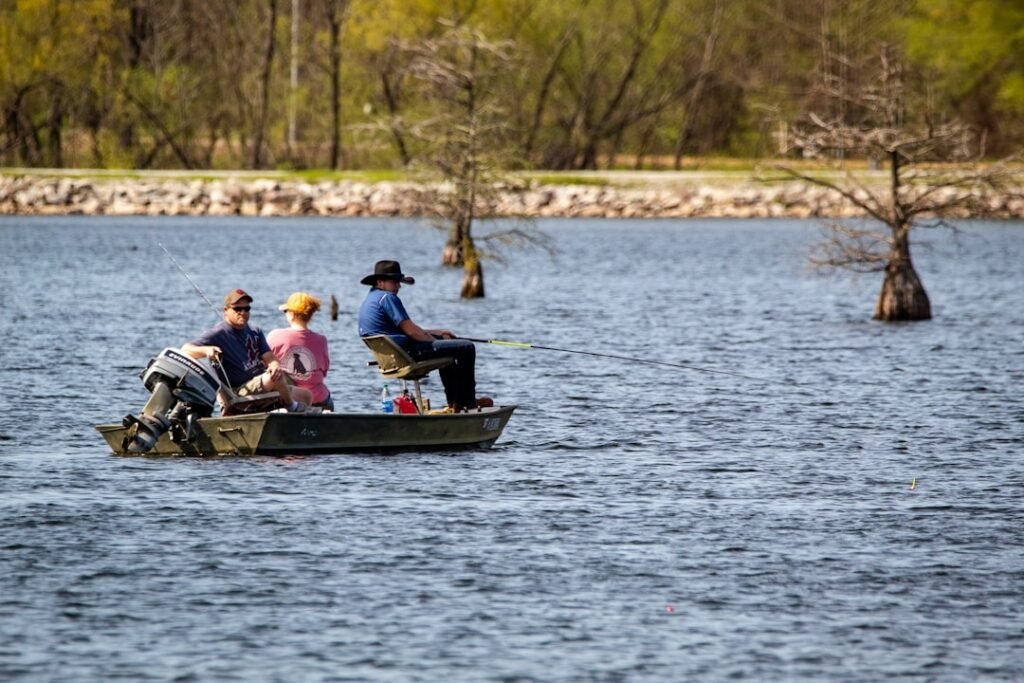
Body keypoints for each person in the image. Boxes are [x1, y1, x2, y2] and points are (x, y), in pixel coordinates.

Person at [358, 259, 492, 412]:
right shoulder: (387, 298)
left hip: (397, 355)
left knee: (447, 345)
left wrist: (437, 334)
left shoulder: (371, 300)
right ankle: (467, 402)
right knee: (466, 347)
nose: (398, 286)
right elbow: (412, 332)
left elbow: (404, 330)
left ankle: (456, 402)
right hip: (408, 354)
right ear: (380, 282)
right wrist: (435, 341)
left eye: (399, 282)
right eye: (395, 282)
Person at [182, 288, 313, 412]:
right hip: (240, 392)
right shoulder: (218, 333)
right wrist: (206, 350)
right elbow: (186, 350)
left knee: (306, 396)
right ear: (226, 310)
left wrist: (274, 365)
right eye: (238, 309)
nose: (243, 312)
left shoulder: (255, 331)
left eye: (247, 308)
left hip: (262, 383)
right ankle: (291, 407)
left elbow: (270, 358)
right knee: (274, 378)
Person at [268, 292, 333, 411]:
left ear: (292, 314)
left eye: (286, 311)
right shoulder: (321, 340)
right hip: (320, 400)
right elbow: (323, 372)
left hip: (291, 400)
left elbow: (262, 366)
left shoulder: (275, 336)